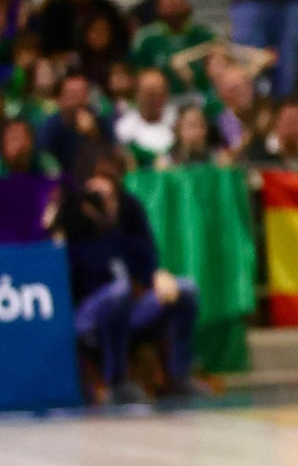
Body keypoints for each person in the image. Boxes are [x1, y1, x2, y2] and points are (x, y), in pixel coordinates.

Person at [61, 162, 200, 403]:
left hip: (128, 310)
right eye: (98, 196)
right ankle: (116, 382)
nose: (104, 201)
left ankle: (179, 375)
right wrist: (88, 216)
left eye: (110, 195)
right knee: (119, 291)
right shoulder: (73, 224)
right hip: (87, 317)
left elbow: (146, 263)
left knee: (185, 289)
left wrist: (157, 275)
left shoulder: (127, 217)